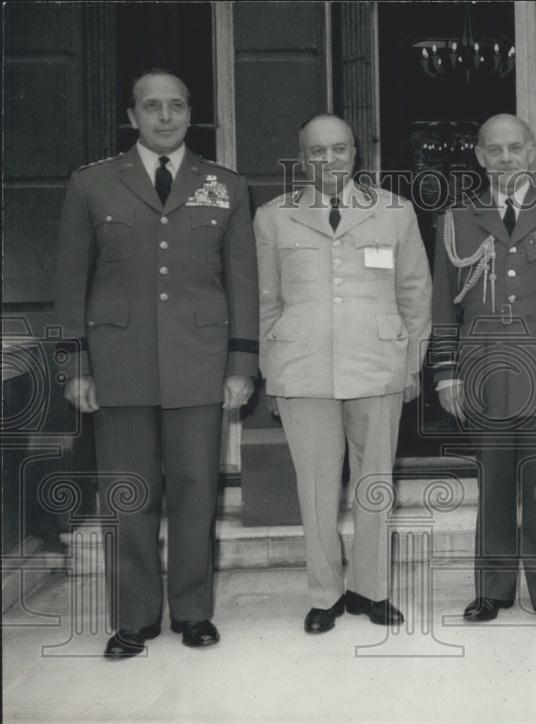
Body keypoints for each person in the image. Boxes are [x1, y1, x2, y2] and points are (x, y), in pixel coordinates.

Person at [54, 70, 259, 658]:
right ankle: (134, 617)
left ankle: (193, 612)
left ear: (190, 113)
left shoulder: (225, 185)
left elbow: (242, 282)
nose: (164, 117)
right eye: (151, 107)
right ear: (133, 114)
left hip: (200, 361)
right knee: (128, 492)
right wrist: (76, 365)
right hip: (119, 364)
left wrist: (241, 362)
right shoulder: (92, 184)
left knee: (197, 488)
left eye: (175, 106)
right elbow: (72, 281)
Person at [255, 114, 432, 634]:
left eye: (337, 150)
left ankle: (371, 589)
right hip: (302, 367)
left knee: (374, 481)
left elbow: (415, 294)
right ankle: (324, 594)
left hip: (377, 363)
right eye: (316, 152)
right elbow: (267, 301)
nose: (327, 160)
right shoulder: (274, 217)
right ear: (302, 157)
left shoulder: (394, 213)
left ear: (356, 154)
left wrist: (411, 363)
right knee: (314, 485)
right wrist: (271, 371)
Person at [430, 114, 536, 627]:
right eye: (494, 149)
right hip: (482, 372)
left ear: (530, 151)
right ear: (480, 156)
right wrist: (446, 372)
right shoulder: (458, 217)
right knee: (495, 488)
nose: (505, 158)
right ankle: (492, 588)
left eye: (515, 148)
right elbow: (444, 305)